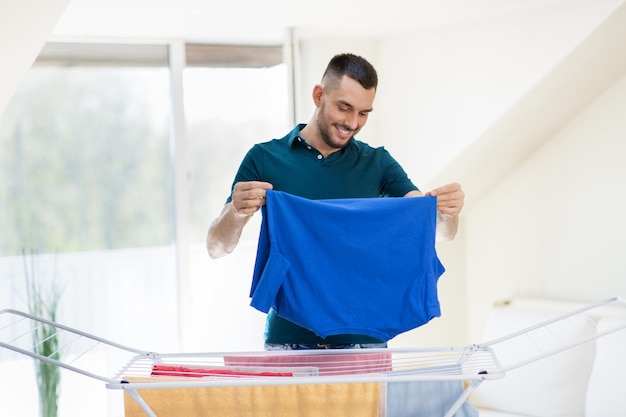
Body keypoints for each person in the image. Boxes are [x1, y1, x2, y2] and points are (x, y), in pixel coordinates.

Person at [206, 53, 465, 351]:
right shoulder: (265, 159)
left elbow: (437, 231)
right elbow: (216, 247)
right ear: (319, 95)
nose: (352, 123)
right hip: (290, 341)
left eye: (364, 113)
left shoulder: (377, 163)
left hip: (365, 342)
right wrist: (238, 212)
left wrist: (446, 211)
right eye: (344, 108)